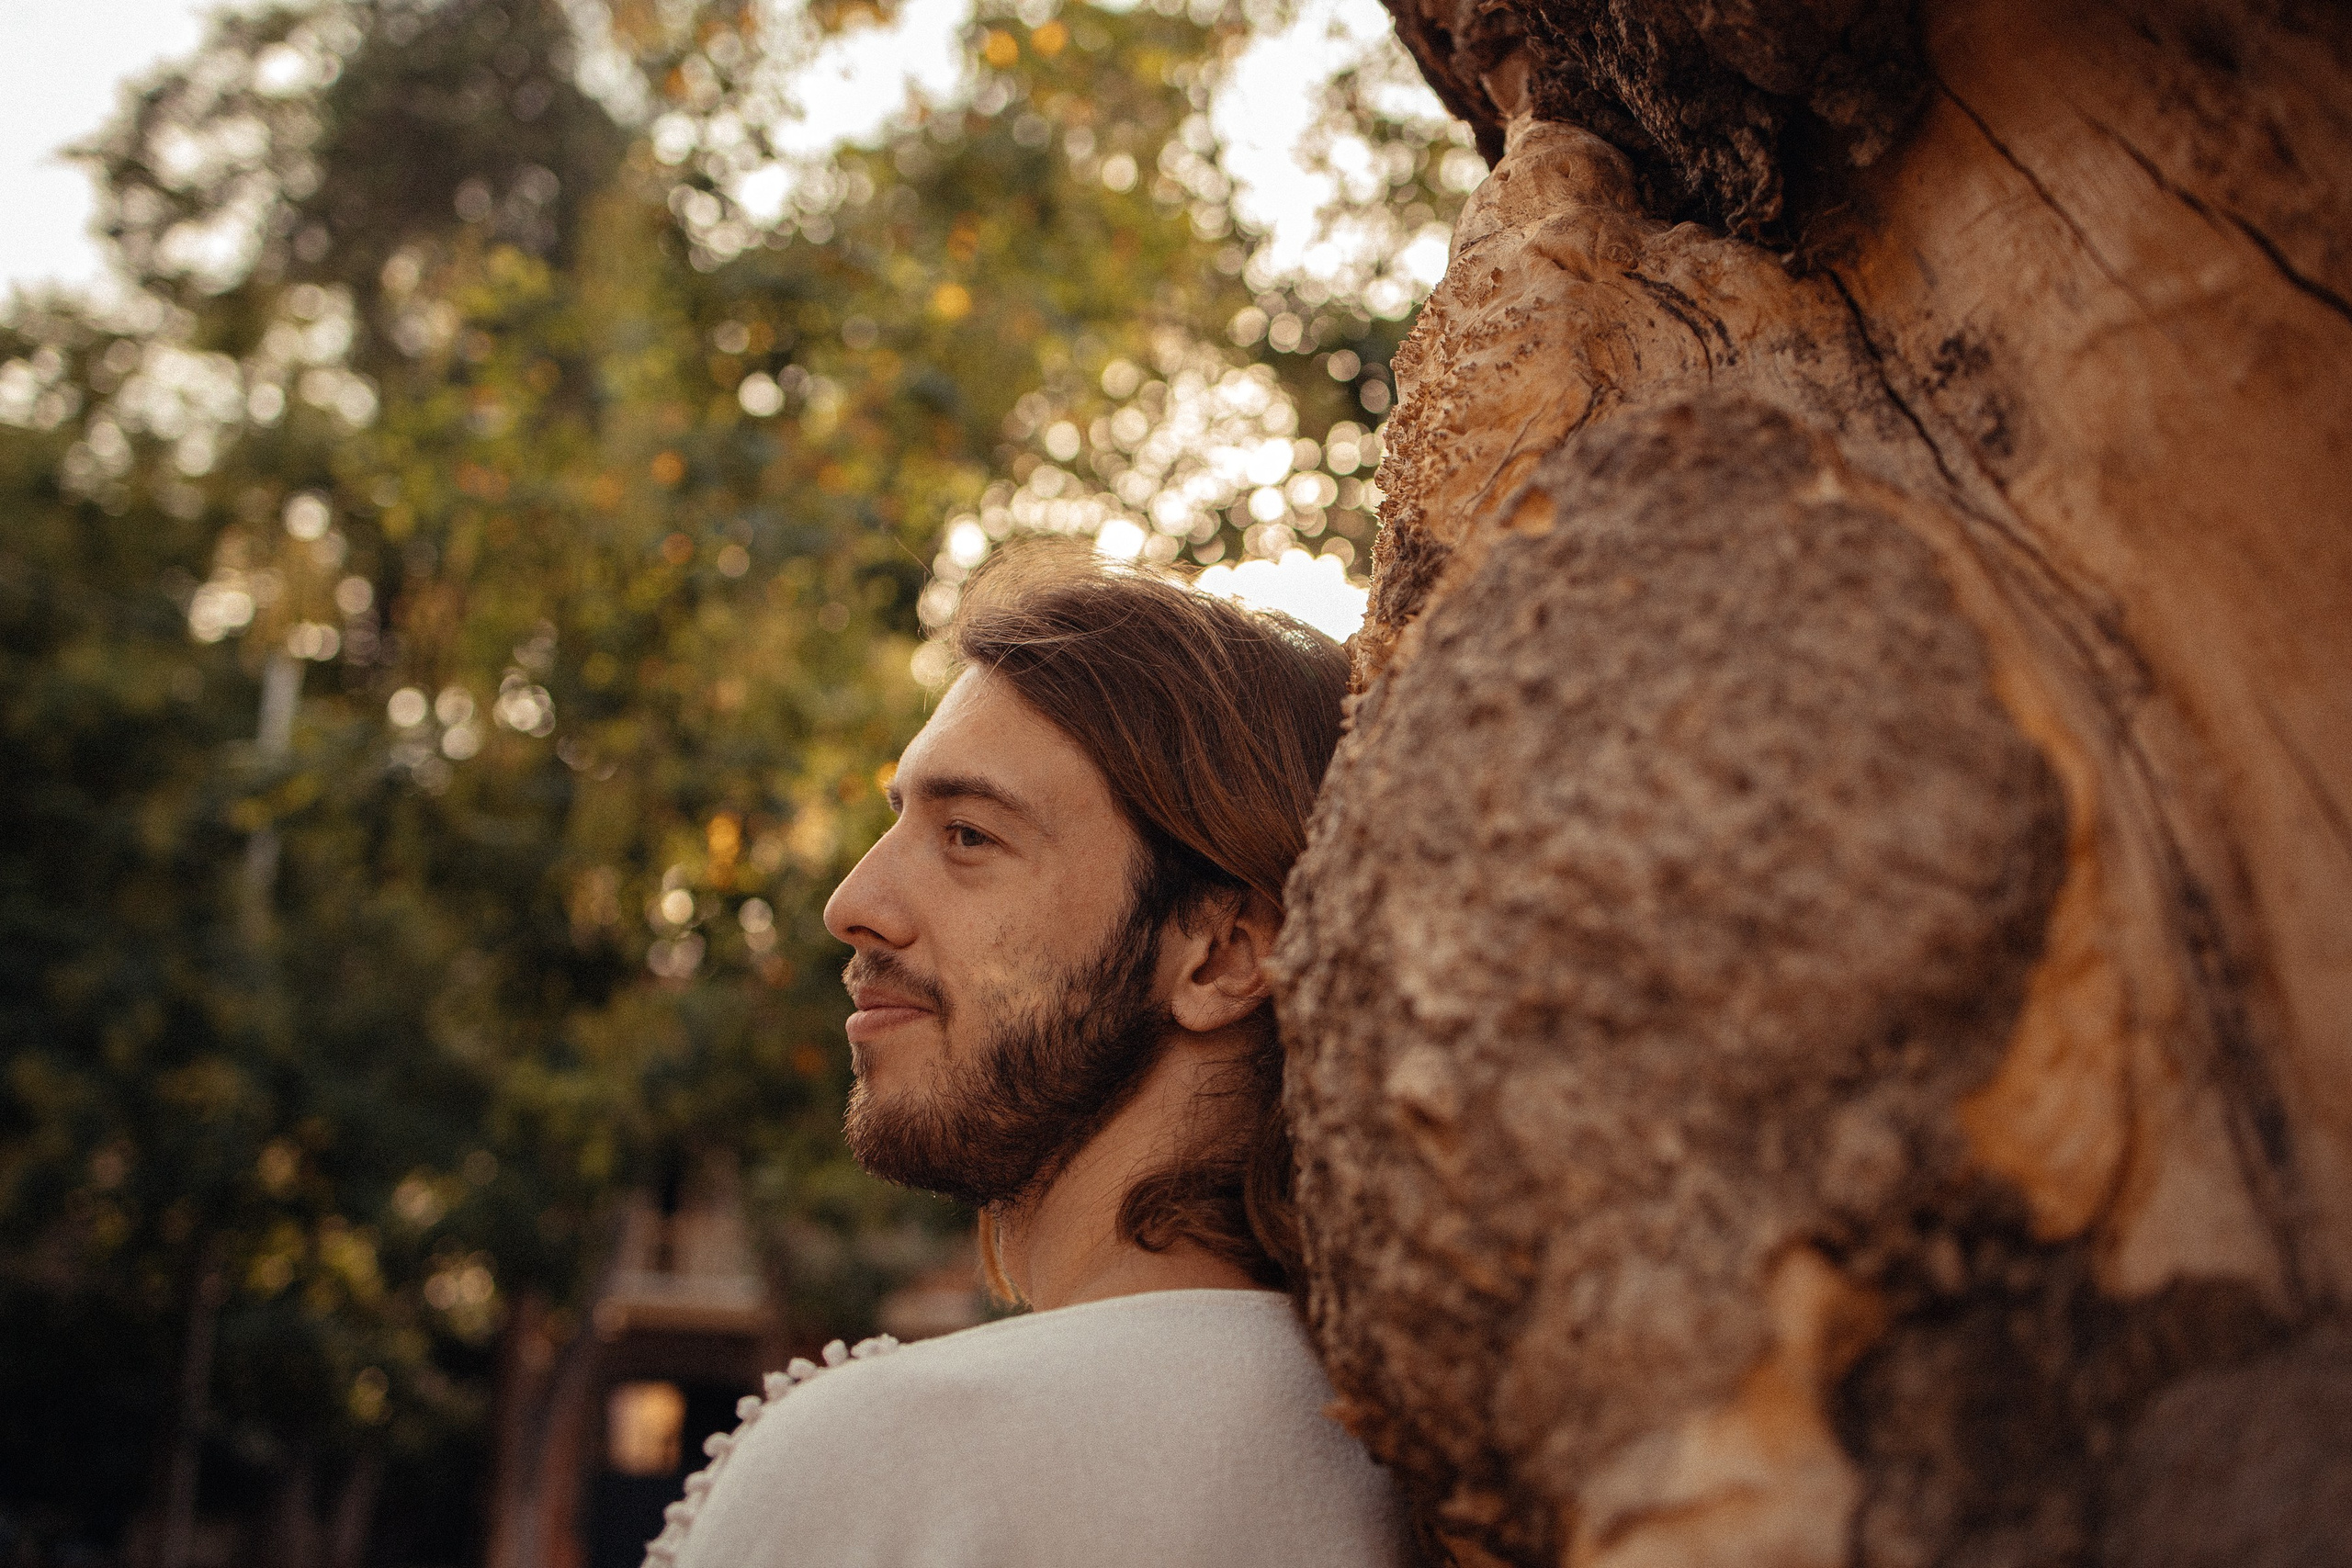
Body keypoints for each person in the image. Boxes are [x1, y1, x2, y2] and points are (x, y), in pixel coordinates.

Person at [648, 545, 1403, 1568]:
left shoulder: (890, 1462)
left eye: (968, 836)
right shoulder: (1444, 1471)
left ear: (1220, 955)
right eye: (898, 820)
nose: (853, 907)